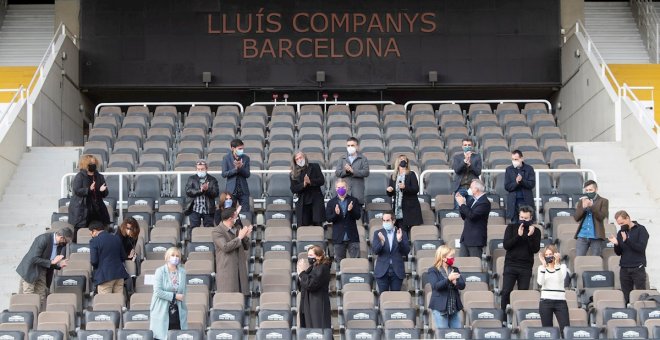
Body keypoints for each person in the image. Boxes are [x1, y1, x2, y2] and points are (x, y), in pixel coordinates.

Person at [16, 228, 72, 306]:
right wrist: (52, 262)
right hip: (31, 270)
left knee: (41, 297)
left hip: (43, 272)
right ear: (61, 237)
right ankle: (29, 315)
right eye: (66, 241)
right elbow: (34, 258)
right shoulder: (43, 239)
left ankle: (38, 316)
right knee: (28, 296)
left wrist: (59, 264)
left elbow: (52, 261)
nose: (66, 243)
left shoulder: (60, 245)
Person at [500, 206, 542, 311]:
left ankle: (520, 317)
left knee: (523, 293)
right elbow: (506, 245)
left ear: (531, 218)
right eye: (521, 217)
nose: (523, 220)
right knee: (506, 292)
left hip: (526, 267)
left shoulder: (536, 231)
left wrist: (529, 236)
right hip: (511, 265)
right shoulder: (511, 228)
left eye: (526, 218)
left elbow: (535, 249)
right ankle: (504, 318)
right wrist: (518, 236)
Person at [608, 210, 649, 304]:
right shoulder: (620, 232)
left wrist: (627, 240)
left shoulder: (641, 229)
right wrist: (616, 244)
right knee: (626, 295)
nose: (621, 225)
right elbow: (619, 253)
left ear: (628, 218)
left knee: (641, 294)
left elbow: (641, 248)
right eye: (619, 224)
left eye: (622, 223)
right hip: (624, 267)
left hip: (637, 266)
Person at [149, 247, 188, 340]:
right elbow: (158, 291)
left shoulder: (182, 272)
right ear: (167, 257)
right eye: (173, 255)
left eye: (177, 256)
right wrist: (174, 296)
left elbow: (183, 290)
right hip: (161, 310)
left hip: (178, 311)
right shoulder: (160, 271)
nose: (175, 257)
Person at [213, 207, 253, 296]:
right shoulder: (217, 231)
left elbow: (246, 246)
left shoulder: (237, 228)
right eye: (236, 217)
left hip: (240, 271)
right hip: (227, 272)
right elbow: (225, 247)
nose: (237, 219)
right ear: (230, 219)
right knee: (228, 301)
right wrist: (239, 237)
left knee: (241, 301)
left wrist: (245, 236)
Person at [68, 154, 110, 237]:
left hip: (96, 208)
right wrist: (88, 189)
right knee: (80, 231)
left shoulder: (99, 177)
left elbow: (104, 193)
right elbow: (77, 190)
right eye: (91, 163)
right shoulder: (80, 176)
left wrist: (103, 191)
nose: (93, 165)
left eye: (94, 163)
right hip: (82, 208)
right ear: (85, 164)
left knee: (98, 230)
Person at [427, 245, 466, 330]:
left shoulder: (455, 269)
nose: (453, 259)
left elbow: (462, 285)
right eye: (451, 256)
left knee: (457, 334)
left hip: (453, 307)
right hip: (440, 308)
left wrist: (456, 282)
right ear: (443, 258)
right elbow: (436, 286)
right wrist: (449, 279)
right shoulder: (433, 270)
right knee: (443, 335)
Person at [372, 212, 410, 292]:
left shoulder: (402, 233)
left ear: (393, 221)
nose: (385, 223)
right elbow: (375, 251)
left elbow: (406, 251)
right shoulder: (378, 233)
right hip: (382, 270)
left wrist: (399, 241)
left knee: (395, 298)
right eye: (384, 220)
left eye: (388, 220)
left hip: (397, 271)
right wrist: (381, 242)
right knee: (383, 298)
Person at [326, 179, 362, 264]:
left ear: (347, 188)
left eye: (343, 187)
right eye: (339, 187)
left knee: (356, 263)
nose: (341, 189)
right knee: (339, 264)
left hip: (352, 237)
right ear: (335, 189)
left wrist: (351, 210)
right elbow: (328, 218)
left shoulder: (354, 200)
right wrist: (336, 214)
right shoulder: (331, 203)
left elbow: (358, 216)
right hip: (338, 237)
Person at [296, 245, 332, 329]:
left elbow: (312, 284)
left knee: (318, 331)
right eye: (308, 255)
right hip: (308, 304)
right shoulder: (312, 268)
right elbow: (302, 286)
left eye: (311, 255)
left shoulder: (323, 268)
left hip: (317, 304)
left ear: (319, 256)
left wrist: (302, 273)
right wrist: (301, 274)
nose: (309, 258)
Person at [537, 245, 570, 334]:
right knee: (547, 331)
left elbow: (560, 279)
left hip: (560, 301)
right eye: (546, 255)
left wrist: (557, 264)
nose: (548, 256)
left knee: (565, 329)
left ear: (555, 254)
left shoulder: (562, 267)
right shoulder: (541, 268)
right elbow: (540, 282)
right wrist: (544, 265)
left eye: (550, 254)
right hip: (545, 301)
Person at [89, 220, 129, 294]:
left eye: (90, 233)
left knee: (106, 302)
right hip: (119, 274)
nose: (91, 235)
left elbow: (94, 261)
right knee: (118, 301)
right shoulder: (116, 238)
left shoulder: (94, 241)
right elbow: (123, 257)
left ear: (94, 231)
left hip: (105, 276)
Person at [386, 154, 423, 234]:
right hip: (398, 209)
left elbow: (416, 189)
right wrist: (389, 190)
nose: (403, 161)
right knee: (401, 231)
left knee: (410, 231)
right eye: (401, 159)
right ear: (397, 162)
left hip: (410, 209)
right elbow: (391, 194)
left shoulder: (411, 174)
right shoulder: (393, 176)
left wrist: (405, 187)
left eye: (404, 160)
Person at [455, 179, 490, 257]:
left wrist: (462, 204)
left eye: (471, 187)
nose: (469, 189)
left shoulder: (484, 202)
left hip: (475, 240)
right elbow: (465, 216)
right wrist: (461, 204)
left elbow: (472, 216)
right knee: (462, 265)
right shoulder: (473, 200)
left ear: (476, 189)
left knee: (474, 264)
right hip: (465, 238)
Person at [290, 151, 326, 226]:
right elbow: (293, 189)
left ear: (305, 157)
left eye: (300, 157)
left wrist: (310, 182)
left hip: (316, 200)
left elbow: (321, 181)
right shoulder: (293, 173)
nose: (299, 160)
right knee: (304, 225)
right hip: (303, 202)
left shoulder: (315, 166)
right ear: (295, 162)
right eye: (297, 159)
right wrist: (303, 184)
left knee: (317, 224)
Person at [574, 180, 609, 256]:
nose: (588, 192)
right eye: (586, 190)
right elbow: (576, 218)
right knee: (579, 258)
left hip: (596, 236)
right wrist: (583, 208)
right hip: (582, 235)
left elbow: (601, 217)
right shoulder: (582, 201)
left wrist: (592, 206)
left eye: (590, 190)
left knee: (595, 259)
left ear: (596, 190)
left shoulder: (603, 201)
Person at [334, 137, 370, 205]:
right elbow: (337, 173)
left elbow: (366, 172)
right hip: (345, 193)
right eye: (348, 145)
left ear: (357, 147)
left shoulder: (363, 158)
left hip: (357, 192)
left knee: (358, 214)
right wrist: (346, 171)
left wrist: (353, 171)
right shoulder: (342, 158)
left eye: (352, 145)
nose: (350, 147)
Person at [184, 159, 219, 228]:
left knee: (209, 230)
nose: (200, 171)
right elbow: (188, 191)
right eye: (198, 169)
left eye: (202, 169)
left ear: (206, 169)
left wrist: (207, 190)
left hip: (208, 210)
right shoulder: (191, 179)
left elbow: (216, 193)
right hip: (194, 209)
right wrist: (200, 190)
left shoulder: (212, 179)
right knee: (193, 229)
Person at [504, 150, 536, 223]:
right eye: (513, 159)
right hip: (513, 202)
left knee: (527, 224)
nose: (514, 161)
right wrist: (516, 182)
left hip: (526, 201)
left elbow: (531, 184)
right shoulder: (509, 170)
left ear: (521, 158)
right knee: (514, 224)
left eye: (516, 159)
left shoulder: (529, 169)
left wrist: (522, 181)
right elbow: (507, 186)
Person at [222, 138, 251, 212]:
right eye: (239, 148)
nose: (241, 150)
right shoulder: (226, 158)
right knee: (230, 212)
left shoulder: (246, 158)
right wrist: (235, 170)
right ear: (232, 148)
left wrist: (240, 168)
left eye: (242, 148)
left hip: (243, 190)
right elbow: (224, 174)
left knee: (245, 212)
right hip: (231, 191)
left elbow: (247, 174)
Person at [451, 138, 482, 209]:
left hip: (472, 188)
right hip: (460, 187)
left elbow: (478, 172)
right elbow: (457, 170)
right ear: (462, 146)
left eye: (469, 145)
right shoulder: (457, 157)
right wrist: (464, 162)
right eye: (465, 145)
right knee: (458, 208)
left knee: (472, 209)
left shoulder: (477, 157)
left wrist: (470, 165)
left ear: (472, 146)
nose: (467, 147)